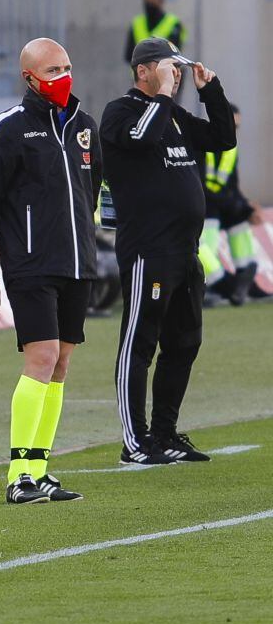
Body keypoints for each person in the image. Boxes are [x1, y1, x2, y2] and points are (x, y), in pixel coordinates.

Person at [0, 38, 101, 505]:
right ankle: (17, 474)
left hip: (77, 264)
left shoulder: (85, 126)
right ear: (29, 79)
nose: (62, 77)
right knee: (40, 360)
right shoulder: (7, 128)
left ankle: (40, 471)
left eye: (66, 67)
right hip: (30, 265)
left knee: (60, 365)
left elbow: (93, 189)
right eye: (52, 71)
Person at [100, 37, 236, 465]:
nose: (174, 74)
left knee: (184, 343)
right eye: (167, 67)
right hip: (148, 251)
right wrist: (160, 96)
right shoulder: (121, 112)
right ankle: (134, 441)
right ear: (143, 71)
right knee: (139, 345)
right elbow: (141, 139)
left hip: (184, 252)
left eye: (177, 68)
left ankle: (164, 434)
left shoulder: (172, 114)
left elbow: (221, 138)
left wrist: (209, 91)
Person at [198, 103, 266, 306]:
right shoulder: (200, 141)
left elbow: (232, 186)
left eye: (237, 128)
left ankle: (246, 278)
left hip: (219, 203)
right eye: (231, 126)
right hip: (202, 204)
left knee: (240, 220)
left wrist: (246, 207)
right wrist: (241, 207)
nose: (234, 132)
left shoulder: (230, 148)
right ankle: (220, 286)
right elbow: (200, 185)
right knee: (205, 240)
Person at [124, 0, 186, 64]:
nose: (150, 5)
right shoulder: (137, 23)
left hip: (164, 75)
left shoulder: (173, 23)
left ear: (161, 1)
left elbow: (174, 55)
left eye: (153, 1)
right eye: (147, 1)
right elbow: (128, 55)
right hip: (140, 75)